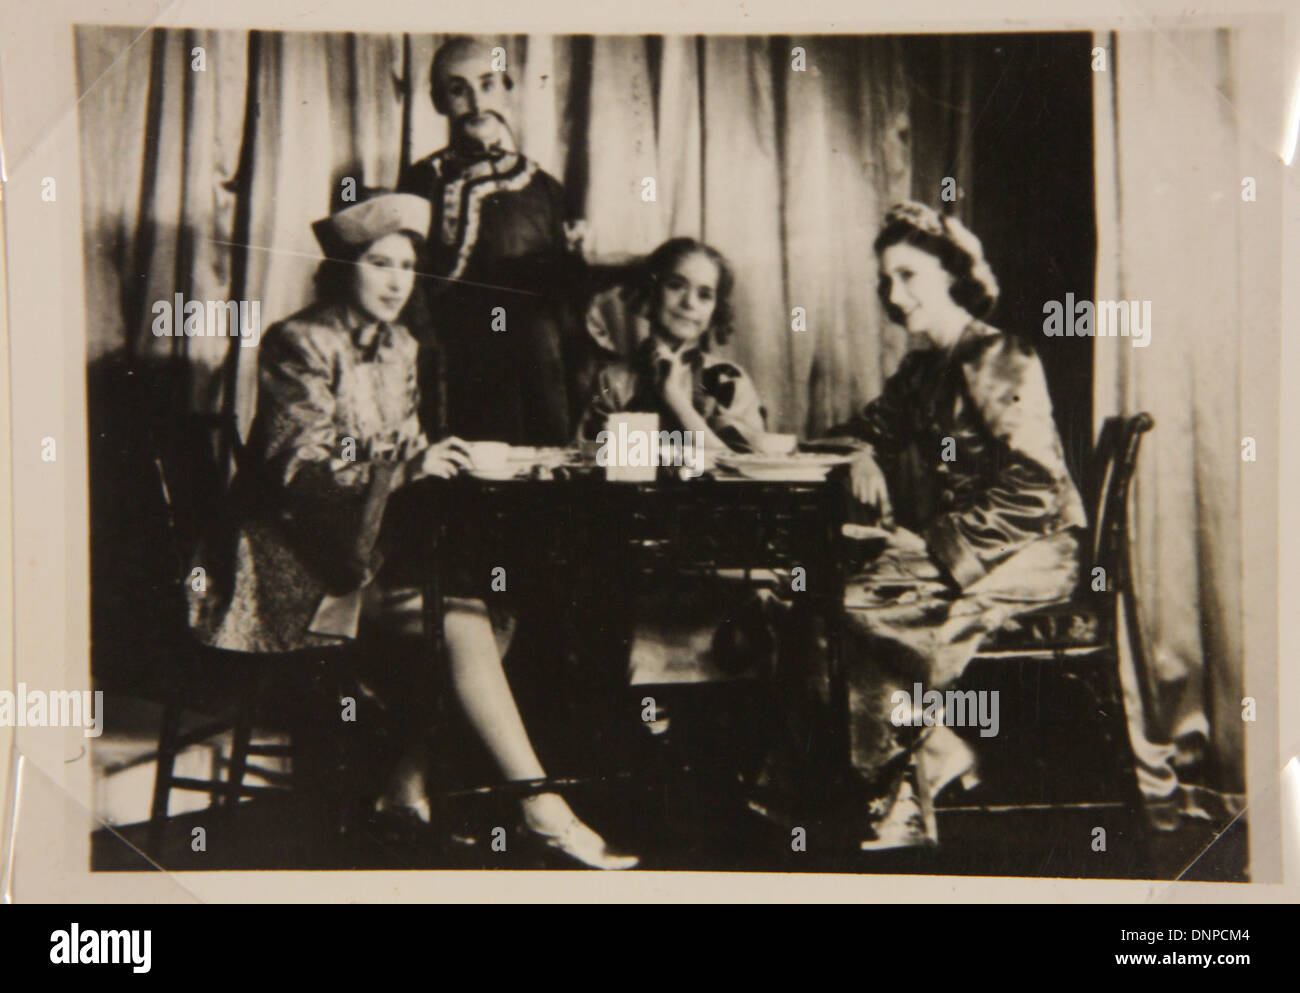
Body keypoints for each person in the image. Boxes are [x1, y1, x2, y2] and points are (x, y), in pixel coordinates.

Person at [187, 190, 636, 869]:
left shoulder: (401, 344)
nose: (397, 280)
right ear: (345, 268)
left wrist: (441, 457)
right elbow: (298, 468)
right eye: (378, 262)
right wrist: (404, 467)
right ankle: (538, 802)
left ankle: (406, 783)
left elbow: (405, 441)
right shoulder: (298, 340)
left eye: (405, 265)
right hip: (288, 563)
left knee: (494, 606)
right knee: (457, 618)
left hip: (366, 544)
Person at [757, 201, 1087, 850]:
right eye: (886, 281)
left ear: (952, 275)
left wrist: (937, 548)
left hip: (1034, 549)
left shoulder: (996, 355)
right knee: (817, 590)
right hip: (978, 543)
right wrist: (861, 453)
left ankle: (910, 782)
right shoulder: (922, 369)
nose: (894, 294)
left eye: (909, 275)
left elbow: (1035, 485)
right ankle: (919, 754)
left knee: (864, 599)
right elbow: (867, 430)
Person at [398, 36, 582, 445]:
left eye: (487, 85)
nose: (477, 105)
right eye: (458, 90)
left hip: (538, 360)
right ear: (437, 101)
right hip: (461, 359)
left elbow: (563, 297)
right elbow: (412, 286)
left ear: (508, 88)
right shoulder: (423, 180)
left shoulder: (545, 187)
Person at [576, 237, 767, 454]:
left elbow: (743, 469)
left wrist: (673, 397)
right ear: (651, 291)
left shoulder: (729, 380)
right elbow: (593, 463)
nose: (689, 303)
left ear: (715, 310)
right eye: (676, 286)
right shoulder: (612, 380)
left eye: (704, 295)